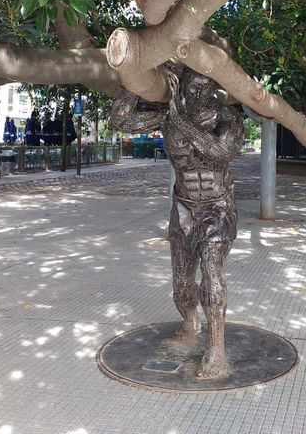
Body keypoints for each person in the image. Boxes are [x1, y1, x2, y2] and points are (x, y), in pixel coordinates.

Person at [111, 65, 243, 379]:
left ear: (213, 87)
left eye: (204, 87)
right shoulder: (168, 113)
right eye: (192, 87)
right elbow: (118, 121)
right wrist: (138, 77)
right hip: (184, 208)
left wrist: (180, 120)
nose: (198, 94)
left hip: (217, 206)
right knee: (182, 288)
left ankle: (216, 351)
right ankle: (190, 321)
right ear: (180, 86)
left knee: (212, 273)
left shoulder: (227, 118)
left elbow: (220, 151)